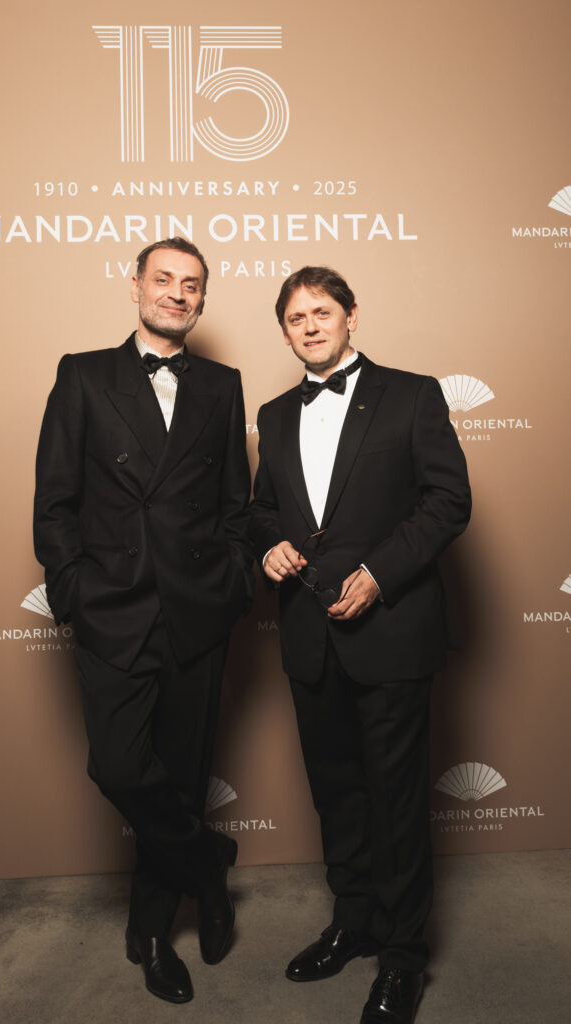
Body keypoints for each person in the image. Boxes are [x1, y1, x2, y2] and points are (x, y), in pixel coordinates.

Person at [34, 238, 253, 1004]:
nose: (177, 293)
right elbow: (54, 502)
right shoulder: (84, 374)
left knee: (182, 779)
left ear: (202, 299)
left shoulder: (222, 385)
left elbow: (235, 505)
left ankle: (153, 932)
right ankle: (209, 867)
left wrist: (230, 585)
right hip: (113, 609)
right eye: (163, 279)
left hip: (196, 613)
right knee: (121, 767)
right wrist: (75, 590)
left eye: (191, 284)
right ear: (135, 287)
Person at [249, 266, 471, 1024]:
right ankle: (355, 921)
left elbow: (448, 500)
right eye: (296, 317)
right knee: (336, 794)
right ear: (285, 331)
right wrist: (269, 544)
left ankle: (403, 957)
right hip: (310, 637)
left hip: (392, 632)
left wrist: (380, 573)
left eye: (322, 311)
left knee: (396, 799)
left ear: (350, 316)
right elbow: (262, 510)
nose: (310, 326)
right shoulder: (274, 414)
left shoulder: (412, 394)